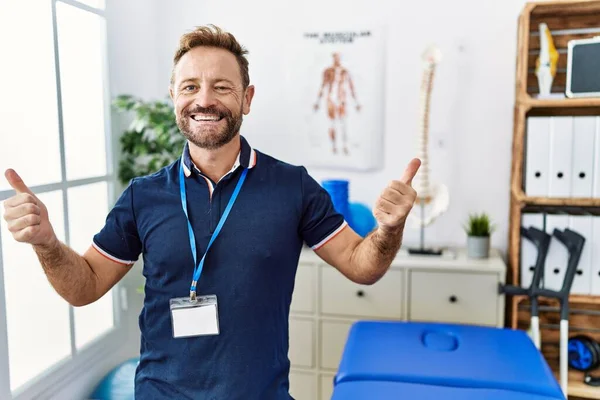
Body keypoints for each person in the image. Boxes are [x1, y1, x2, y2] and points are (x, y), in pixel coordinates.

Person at [2, 25, 420, 399]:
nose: (204, 99)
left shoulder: (293, 187)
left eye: (221, 87)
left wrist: (389, 227)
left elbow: (361, 266)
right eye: (189, 87)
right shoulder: (142, 196)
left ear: (247, 98)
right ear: (173, 98)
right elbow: (84, 287)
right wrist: (46, 243)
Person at [313, 51, 361, 155]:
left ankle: (344, 146)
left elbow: (351, 87)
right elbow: (323, 86)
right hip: (331, 99)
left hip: (341, 99)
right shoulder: (328, 71)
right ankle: (333, 147)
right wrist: (317, 101)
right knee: (332, 123)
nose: (337, 60)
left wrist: (356, 102)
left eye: (338, 57)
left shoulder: (345, 71)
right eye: (335, 57)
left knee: (343, 123)